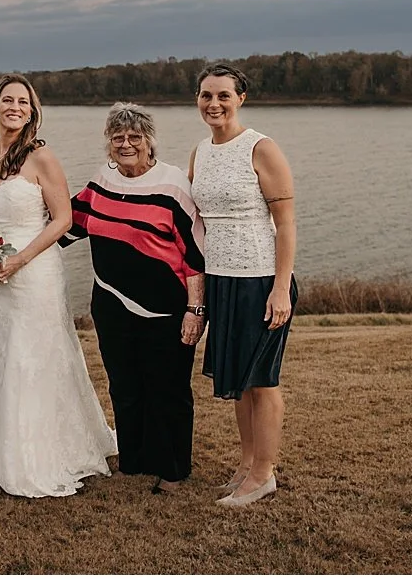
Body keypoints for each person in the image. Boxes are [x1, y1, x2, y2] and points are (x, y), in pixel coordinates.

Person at [0, 76, 113, 496]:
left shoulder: (42, 157)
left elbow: (63, 219)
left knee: (32, 355)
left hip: (34, 269)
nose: (15, 107)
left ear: (32, 110)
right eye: (7, 99)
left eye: (23, 101)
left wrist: (20, 259)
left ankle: (39, 453)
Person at [65, 104, 207, 488]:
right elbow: (67, 223)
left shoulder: (173, 185)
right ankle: (134, 458)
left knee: (168, 388)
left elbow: (195, 255)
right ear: (109, 144)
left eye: (134, 137)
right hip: (110, 305)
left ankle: (173, 468)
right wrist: (13, 244)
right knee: (124, 384)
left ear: (149, 142)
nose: (125, 144)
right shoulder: (102, 182)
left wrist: (196, 309)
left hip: (166, 308)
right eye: (117, 138)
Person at [188, 64, 297, 509]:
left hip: (260, 280)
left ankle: (264, 475)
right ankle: (248, 464)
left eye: (223, 96)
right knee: (238, 380)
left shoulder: (261, 148)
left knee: (262, 381)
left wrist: (281, 287)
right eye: (205, 96)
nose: (214, 104)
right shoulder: (200, 150)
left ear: (241, 99)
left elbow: (286, 223)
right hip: (220, 279)